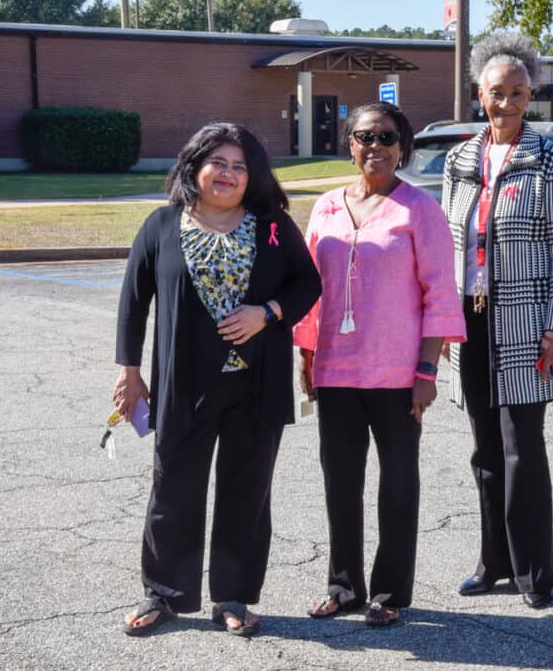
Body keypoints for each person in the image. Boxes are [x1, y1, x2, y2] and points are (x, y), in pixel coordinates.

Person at [114, 122, 321, 636]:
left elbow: (308, 283)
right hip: (184, 385)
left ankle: (232, 597)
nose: (227, 174)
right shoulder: (161, 226)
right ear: (194, 167)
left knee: (245, 493)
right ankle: (163, 593)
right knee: (173, 490)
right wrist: (130, 373)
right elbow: (133, 303)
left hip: (255, 384)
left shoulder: (272, 225)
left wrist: (268, 312)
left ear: (253, 177)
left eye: (239, 166)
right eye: (218, 163)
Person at [293, 101, 465, 627]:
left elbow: (440, 295)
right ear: (350, 144)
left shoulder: (420, 210)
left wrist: (427, 373)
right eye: (366, 137)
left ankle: (390, 592)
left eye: (388, 138)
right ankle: (344, 586)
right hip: (335, 372)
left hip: (398, 376)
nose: (377, 147)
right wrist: (306, 354)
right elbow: (307, 289)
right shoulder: (324, 207)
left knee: (398, 484)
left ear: (402, 147)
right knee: (340, 483)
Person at [442, 33, 553, 609]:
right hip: (468, 320)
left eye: (519, 93)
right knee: (482, 449)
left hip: (528, 325)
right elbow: (445, 243)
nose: (507, 104)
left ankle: (534, 571)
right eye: (497, 94)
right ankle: (492, 560)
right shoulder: (459, 159)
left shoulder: (548, 155)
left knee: (522, 445)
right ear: (480, 95)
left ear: (532, 96)